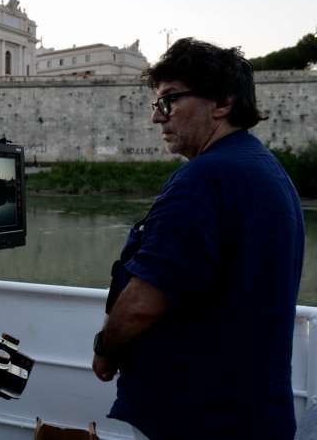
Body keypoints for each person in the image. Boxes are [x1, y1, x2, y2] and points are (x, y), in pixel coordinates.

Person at [91, 38, 304, 439]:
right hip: (253, 411)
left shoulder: (204, 179)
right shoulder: (265, 169)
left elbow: (142, 303)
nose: (158, 117)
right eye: (157, 103)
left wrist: (106, 350)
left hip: (199, 417)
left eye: (169, 100)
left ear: (221, 103)